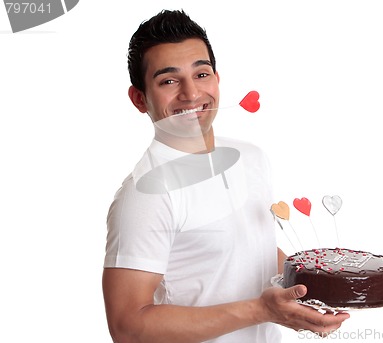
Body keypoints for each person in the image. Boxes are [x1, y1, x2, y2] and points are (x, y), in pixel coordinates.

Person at [102, 9, 349, 343]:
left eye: (201, 74)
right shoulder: (145, 195)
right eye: (169, 81)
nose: (191, 94)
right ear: (139, 99)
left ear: (217, 79)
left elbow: (253, 249)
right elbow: (128, 327)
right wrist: (262, 310)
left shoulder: (251, 158)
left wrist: (315, 286)